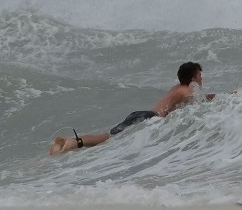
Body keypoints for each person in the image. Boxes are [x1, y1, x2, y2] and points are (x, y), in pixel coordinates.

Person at [49, 61, 216, 155]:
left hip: (142, 115)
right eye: (200, 75)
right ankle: (70, 143)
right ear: (194, 78)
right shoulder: (187, 90)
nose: (201, 79)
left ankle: (71, 141)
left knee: (109, 137)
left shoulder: (177, 88)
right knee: (109, 141)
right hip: (149, 119)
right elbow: (199, 102)